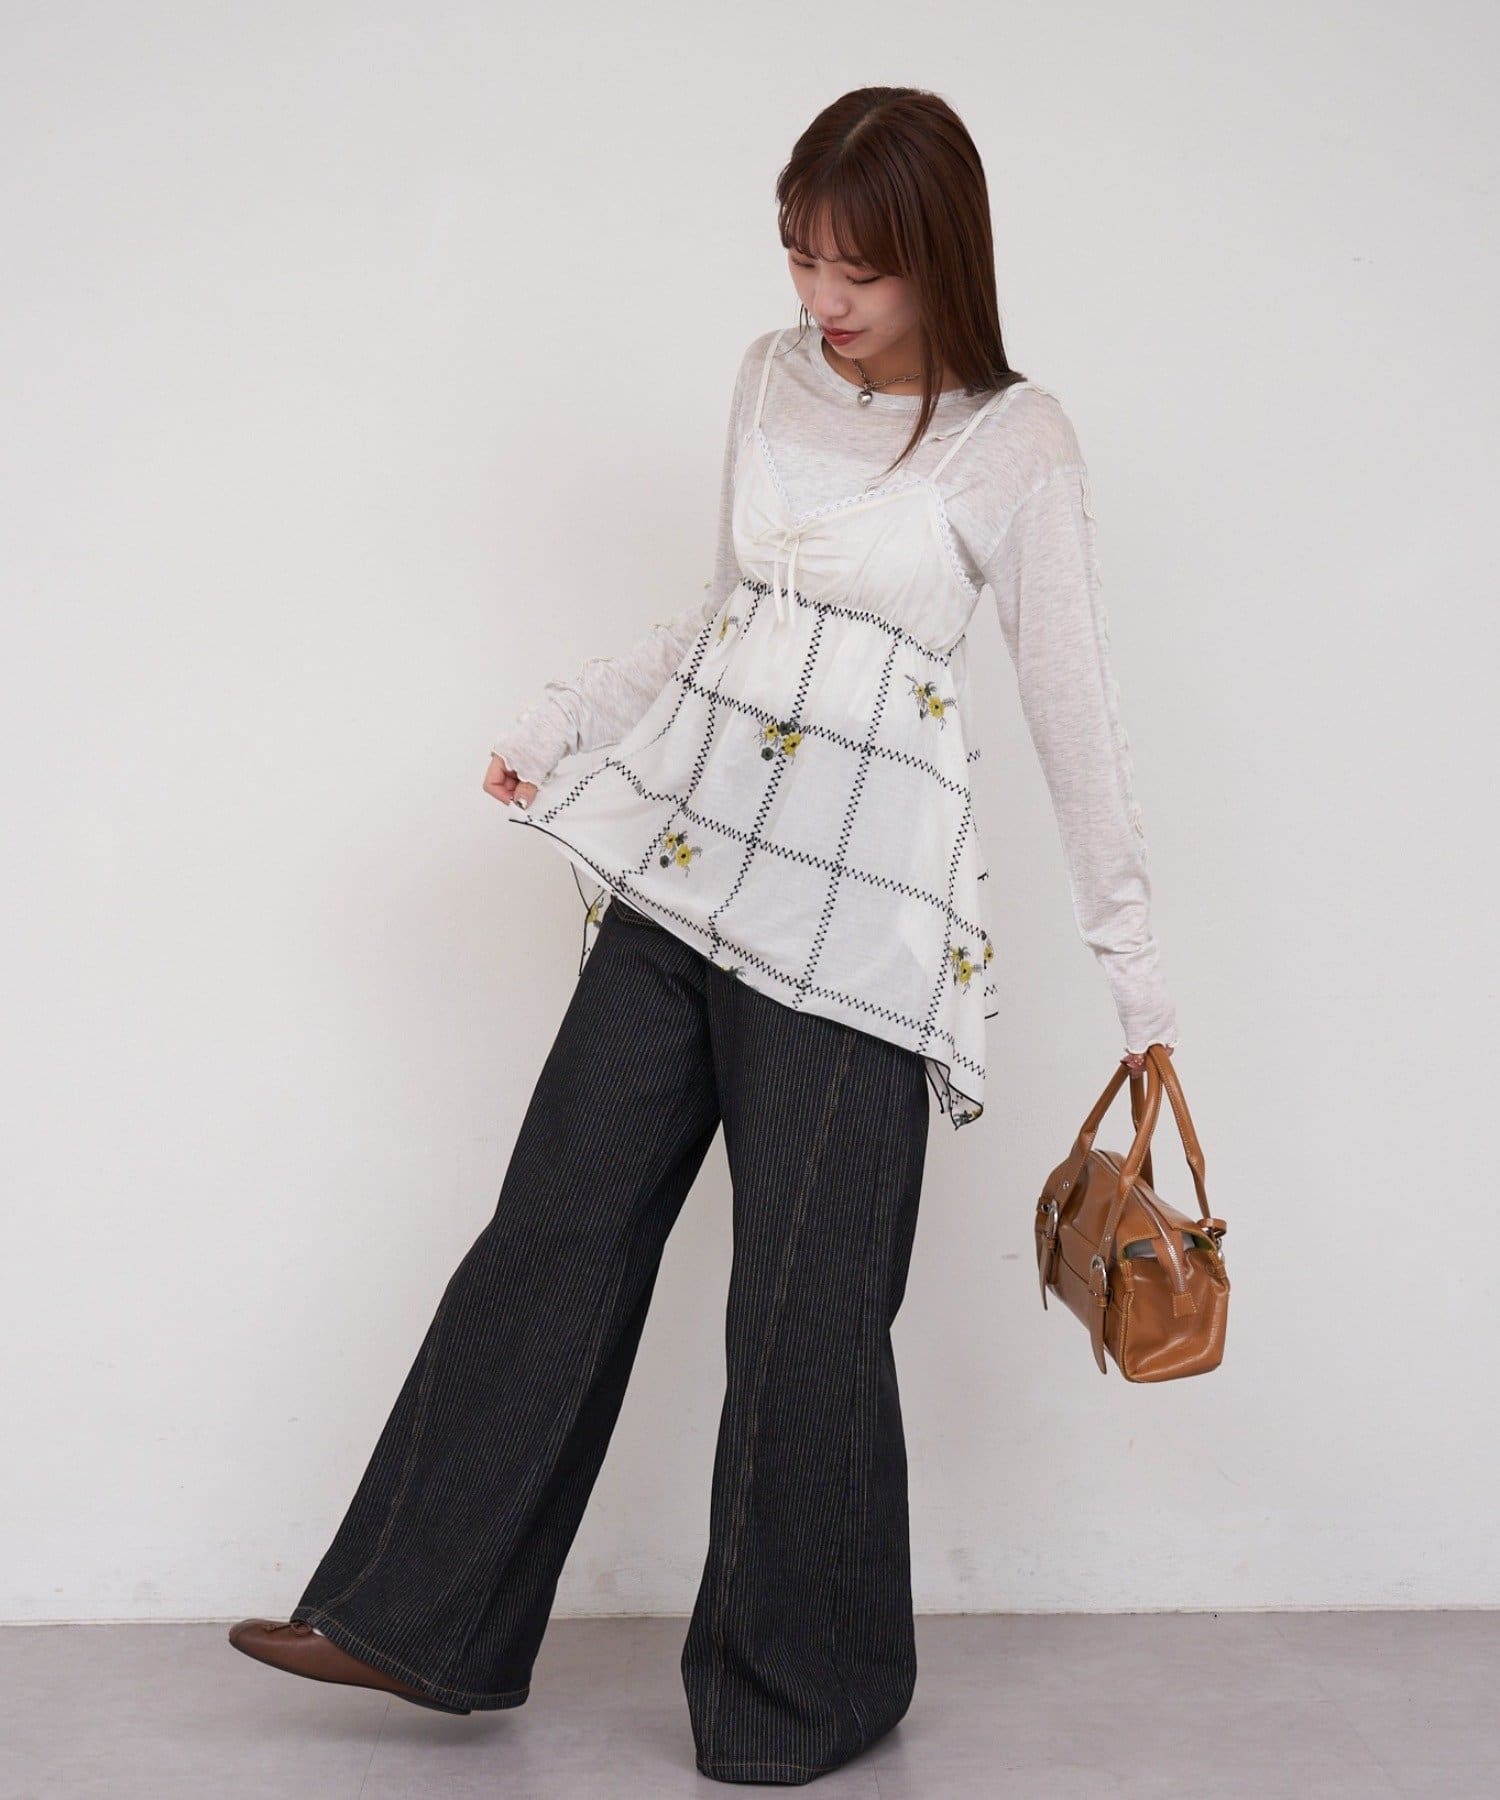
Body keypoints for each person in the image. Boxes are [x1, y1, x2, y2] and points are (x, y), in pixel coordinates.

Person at [228, 85, 1178, 1787]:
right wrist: (571, 718)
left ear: (941, 260)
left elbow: (1073, 709)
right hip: (691, 867)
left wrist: (1140, 979)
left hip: (859, 926)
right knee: (557, 1221)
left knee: (804, 1318)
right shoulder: (767, 378)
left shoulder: (1014, 442)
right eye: (802, 256)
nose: (824, 297)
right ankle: (413, 1616)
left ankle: (802, 1696)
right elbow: (732, 618)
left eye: (861, 270)